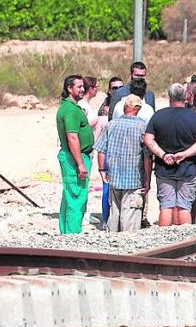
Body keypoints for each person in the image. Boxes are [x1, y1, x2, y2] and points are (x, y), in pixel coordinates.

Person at [143, 82, 196, 226]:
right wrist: (185, 154)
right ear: (186, 97)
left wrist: (163, 154)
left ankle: (165, 239)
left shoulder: (158, 116)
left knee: (166, 205)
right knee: (184, 206)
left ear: (169, 97)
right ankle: (184, 240)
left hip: (164, 168)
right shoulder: (195, 117)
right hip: (188, 167)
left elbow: (148, 139)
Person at [95, 95, 148, 232]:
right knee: (130, 216)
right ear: (138, 109)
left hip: (114, 177)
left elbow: (101, 150)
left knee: (114, 212)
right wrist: (147, 179)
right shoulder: (142, 126)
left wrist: (102, 169)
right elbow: (147, 156)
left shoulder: (111, 124)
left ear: (125, 107)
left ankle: (112, 245)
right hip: (134, 179)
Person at [56, 74, 93, 234]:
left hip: (73, 156)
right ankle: (72, 234)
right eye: (79, 86)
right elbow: (72, 136)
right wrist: (80, 164)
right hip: (74, 158)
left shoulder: (70, 107)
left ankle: (66, 232)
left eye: (83, 86)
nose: (82, 89)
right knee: (76, 197)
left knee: (69, 195)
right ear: (69, 89)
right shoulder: (70, 110)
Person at [96, 77, 124, 226]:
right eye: (114, 88)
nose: (117, 90)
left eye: (120, 87)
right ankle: (107, 219)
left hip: (123, 152)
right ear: (109, 90)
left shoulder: (126, 105)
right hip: (107, 154)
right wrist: (101, 165)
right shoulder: (104, 109)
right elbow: (100, 140)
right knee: (107, 189)